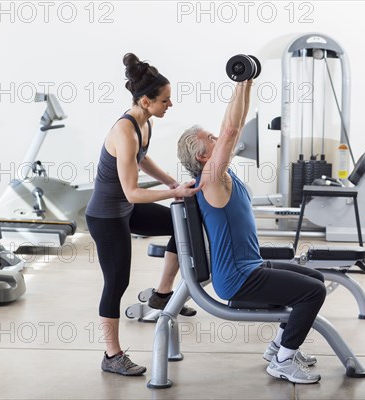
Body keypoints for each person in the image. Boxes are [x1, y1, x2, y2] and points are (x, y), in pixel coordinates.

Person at [177, 80, 327, 384]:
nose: (219, 138)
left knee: (315, 279)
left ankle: (277, 348)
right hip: (239, 278)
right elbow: (231, 129)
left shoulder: (219, 174)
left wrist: (247, 82)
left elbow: (236, 124)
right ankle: (283, 362)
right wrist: (239, 83)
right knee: (314, 293)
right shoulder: (211, 178)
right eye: (211, 139)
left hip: (249, 266)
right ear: (204, 157)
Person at [86, 53, 201, 376]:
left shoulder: (143, 122)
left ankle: (162, 295)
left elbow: (142, 159)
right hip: (107, 217)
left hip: (125, 209)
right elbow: (132, 192)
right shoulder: (124, 130)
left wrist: (170, 181)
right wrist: (175, 193)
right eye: (165, 100)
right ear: (147, 101)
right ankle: (112, 356)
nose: (171, 105)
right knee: (116, 282)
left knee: (183, 227)